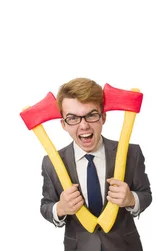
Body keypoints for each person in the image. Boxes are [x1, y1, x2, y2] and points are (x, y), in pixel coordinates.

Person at [39, 77, 152, 251]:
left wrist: (131, 199)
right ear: (63, 124)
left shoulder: (132, 153)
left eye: (91, 115)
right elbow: (46, 205)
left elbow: (145, 194)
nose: (84, 126)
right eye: (73, 118)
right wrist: (60, 208)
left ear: (103, 117)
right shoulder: (51, 163)